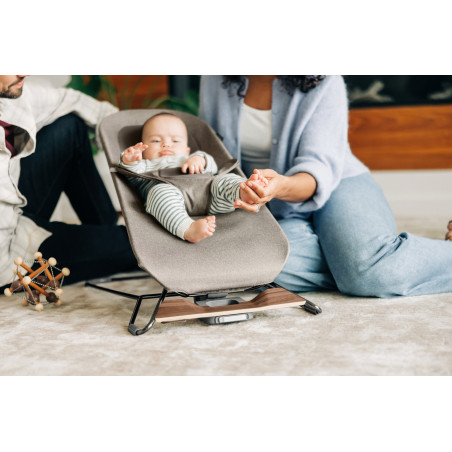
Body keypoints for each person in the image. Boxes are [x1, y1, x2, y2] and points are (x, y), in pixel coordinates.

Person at [199, 75, 452, 297]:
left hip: (338, 181)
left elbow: (318, 166)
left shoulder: (325, 81)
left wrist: (279, 187)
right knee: (267, 266)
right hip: (268, 204)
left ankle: (366, 266)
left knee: (372, 274)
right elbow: (213, 151)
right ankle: (357, 263)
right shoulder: (215, 78)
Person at [0, 75, 137, 288]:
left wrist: (149, 137)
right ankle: (110, 243)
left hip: (15, 215)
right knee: (137, 245)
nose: (23, 73)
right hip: (7, 259)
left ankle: (104, 231)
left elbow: (72, 100)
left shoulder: (10, 97)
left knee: (69, 127)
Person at [119, 113, 267, 243]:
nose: (166, 144)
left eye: (175, 141)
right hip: (173, 202)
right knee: (158, 193)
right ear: (143, 150)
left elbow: (213, 169)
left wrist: (199, 159)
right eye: (156, 141)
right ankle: (187, 228)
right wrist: (130, 161)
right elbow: (132, 175)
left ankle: (244, 192)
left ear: (187, 150)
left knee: (226, 179)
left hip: (212, 196)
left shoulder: (193, 157)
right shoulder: (144, 165)